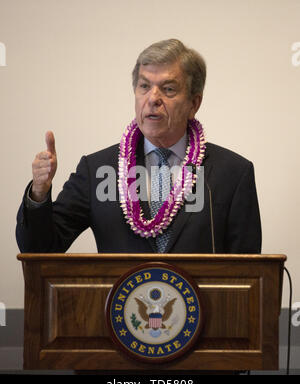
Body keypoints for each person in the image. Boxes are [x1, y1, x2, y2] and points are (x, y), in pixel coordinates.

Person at [16, 39, 261, 254]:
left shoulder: (233, 174)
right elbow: (40, 247)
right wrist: (38, 192)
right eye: (144, 86)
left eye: (168, 89)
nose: (153, 99)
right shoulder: (98, 169)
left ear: (193, 104)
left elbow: (249, 275)